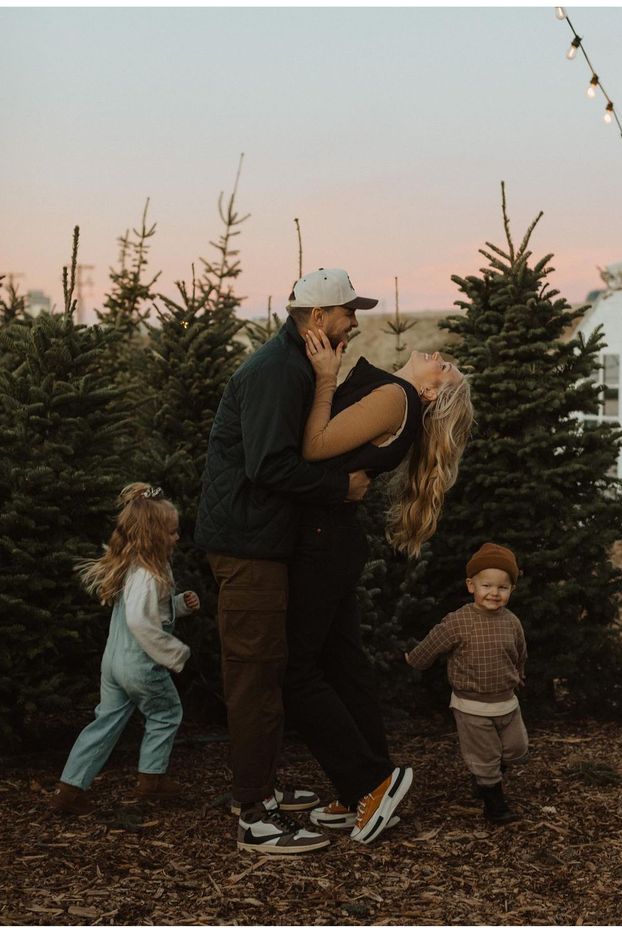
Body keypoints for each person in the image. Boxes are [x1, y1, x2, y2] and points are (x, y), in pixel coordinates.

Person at [194, 268, 375, 855]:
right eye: (349, 312)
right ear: (317, 318)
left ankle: (263, 791)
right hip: (249, 547)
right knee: (255, 675)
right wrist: (339, 489)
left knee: (269, 670)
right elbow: (269, 466)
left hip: (263, 542)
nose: (355, 322)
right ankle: (255, 815)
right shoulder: (277, 371)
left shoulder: (297, 365)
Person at [283, 319, 474, 845]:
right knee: (343, 667)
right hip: (335, 542)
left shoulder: (398, 396)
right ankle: (357, 789)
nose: (441, 354)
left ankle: (371, 782)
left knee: (294, 671)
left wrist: (325, 377)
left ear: (433, 390)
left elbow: (314, 447)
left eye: (448, 366)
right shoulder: (396, 396)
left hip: (323, 545)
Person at [51, 483, 200, 815]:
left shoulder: (135, 567)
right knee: (166, 713)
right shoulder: (149, 575)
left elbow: (150, 611)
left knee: (104, 722)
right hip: (139, 664)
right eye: (173, 532)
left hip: (113, 661)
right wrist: (175, 652)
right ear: (153, 534)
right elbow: (141, 622)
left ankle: (70, 788)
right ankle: (151, 780)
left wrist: (181, 605)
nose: (177, 538)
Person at [405, 542, 528, 824]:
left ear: (511, 590)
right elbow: (433, 643)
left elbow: (520, 652)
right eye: (487, 586)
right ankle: (494, 804)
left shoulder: (512, 622)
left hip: (506, 702)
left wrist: (519, 674)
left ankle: (487, 778)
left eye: (502, 588)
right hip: (471, 705)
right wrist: (414, 660)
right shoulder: (459, 621)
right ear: (471, 585)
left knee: (516, 749)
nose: (494, 593)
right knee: (485, 757)